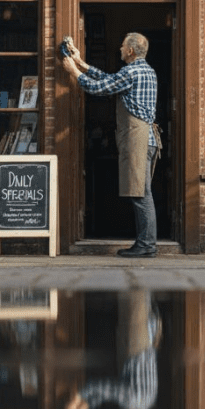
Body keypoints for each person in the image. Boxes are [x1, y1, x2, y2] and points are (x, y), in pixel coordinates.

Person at [62, 32, 160, 258]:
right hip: (146, 139)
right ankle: (145, 243)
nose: (120, 49)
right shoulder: (144, 70)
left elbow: (99, 88)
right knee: (141, 192)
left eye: (123, 46)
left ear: (131, 51)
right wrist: (81, 63)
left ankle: (146, 245)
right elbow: (109, 79)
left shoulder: (132, 71)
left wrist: (74, 72)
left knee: (141, 194)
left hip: (140, 140)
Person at [63, 291, 161, 409]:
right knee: (135, 294)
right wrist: (75, 400)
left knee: (135, 297)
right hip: (135, 344)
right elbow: (103, 387)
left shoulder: (146, 403)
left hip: (142, 343)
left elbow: (105, 395)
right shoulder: (133, 401)